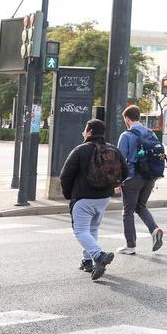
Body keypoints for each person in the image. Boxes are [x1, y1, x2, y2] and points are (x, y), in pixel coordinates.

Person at [58, 119, 121, 280]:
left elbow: (65, 175)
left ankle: (99, 256)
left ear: (90, 132)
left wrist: (68, 194)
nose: (83, 133)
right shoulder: (112, 149)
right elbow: (124, 171)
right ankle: (87, 262)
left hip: (84, 197)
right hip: (104, 198)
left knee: (80, 231)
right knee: (92, 229)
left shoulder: (80, 150)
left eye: (85, 130)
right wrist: (112, 184)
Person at [117, 104, 166, 255]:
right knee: (141, 206)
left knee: (128, 211)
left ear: (127, 118)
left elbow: (120, 160)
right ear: (138, 117)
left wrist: (117, 181)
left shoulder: (126, 135)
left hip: (132, 178)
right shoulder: (150, 133)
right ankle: (154, 229)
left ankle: (130, 245)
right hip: (150, 177)